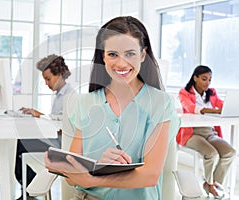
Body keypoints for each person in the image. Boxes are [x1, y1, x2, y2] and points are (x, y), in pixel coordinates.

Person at [45, 16, 179, 200]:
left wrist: (93, 178)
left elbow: (150, 175)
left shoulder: (160, 103)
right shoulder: (85, 104)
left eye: (130, 53)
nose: (121, 63)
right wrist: (69, 165)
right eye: (113, 54)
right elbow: (72, 178)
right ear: (103, 56)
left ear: (142, 54)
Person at [14, 54, 74, 200]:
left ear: (59, 75)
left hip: (60, 143)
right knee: (20, 142)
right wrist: (37, 114)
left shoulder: (70, 95)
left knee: (21, 144)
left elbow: (63, 125)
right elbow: (56, 118)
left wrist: (39, 116)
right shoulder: (59, 94)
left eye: (48, 79)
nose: (47, 83)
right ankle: (29, 187)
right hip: (54, 138)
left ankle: (30, 187)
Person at [177, 65, 236, 199]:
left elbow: (222, 106)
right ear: (195, 78)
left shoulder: (212, 93)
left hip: (210, 133)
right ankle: (209, 183)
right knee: (212, 153)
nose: (207, 83)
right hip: (192, 133)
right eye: (204, 79)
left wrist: (229, 108)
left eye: (209, 79)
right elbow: (191, 107)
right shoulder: (184, 93)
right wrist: (214, 111)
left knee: (230, 152)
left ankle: (213, 184)